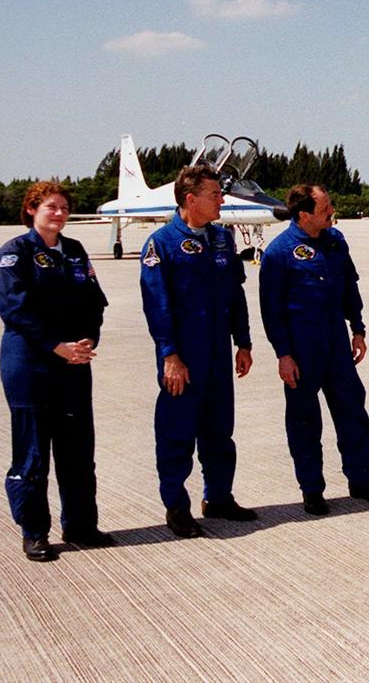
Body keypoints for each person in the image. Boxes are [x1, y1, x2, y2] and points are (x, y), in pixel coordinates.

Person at [0, 181, 112, 561]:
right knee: (33, 452)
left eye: (63, 207)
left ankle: (80, 524)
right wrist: (54, 346)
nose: (58, 213)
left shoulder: (74, 252)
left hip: (74, 363)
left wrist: (87, 341)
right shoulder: (14, 254)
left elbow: (95, 301)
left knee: (77, 448)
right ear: (31, 210)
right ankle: (34, 531)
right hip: (30, 364)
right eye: (50, 207)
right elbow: (15, 310)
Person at [260, 184, 369, 516]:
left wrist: (358, 329)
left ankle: (361, 480)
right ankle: (312, 490)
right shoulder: (279, 253)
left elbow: (350, 287)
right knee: (305, 422)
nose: (331, 211)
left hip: (336, 344)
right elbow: (270, 310)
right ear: (304, 215)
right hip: (301, 349)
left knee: (353, 414)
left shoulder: (336, 242)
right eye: (325, 208)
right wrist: (283, 354)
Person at [140, 165, 257, 539]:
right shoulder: (162, 244)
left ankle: (219, 497)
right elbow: (157, 305)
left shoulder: (223, 240)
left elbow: (235, 294)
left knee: (220, 429)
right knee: (177, 433)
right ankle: (176, 506)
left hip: (219, 353)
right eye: (214, 194)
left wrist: (244, 341)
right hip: (184, 357)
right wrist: (170, 355)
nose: (222, 200)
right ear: (190, 199)